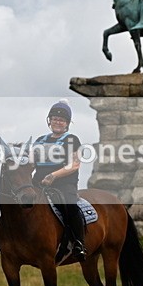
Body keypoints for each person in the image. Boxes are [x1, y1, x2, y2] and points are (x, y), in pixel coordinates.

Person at [33, 100, 86, 261]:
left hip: (64, 184)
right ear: (49, 120)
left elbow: (74, 165)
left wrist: (53, 176)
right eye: (55, 118)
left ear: (67, 123)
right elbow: (30, 161)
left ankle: (78, 243)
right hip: (38, 183)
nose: (58, 122)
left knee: (70, 205)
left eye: (61, 120)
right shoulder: (40, 140)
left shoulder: (71, 139)